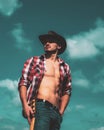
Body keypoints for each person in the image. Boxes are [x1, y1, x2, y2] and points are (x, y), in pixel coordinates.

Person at [18, 31, 72, 130]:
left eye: (50, 41)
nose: (46, 44)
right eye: (45, 42)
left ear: (59, 46)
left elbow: (67, 91)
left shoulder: (65, 67)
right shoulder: (34, 61)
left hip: (56, 112)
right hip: (41, 107)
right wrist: (25, 105)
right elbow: (23, 83)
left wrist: (61, 112)